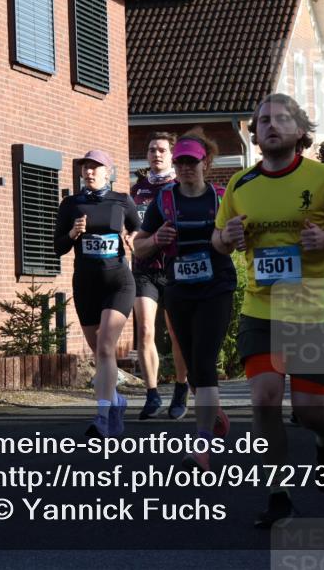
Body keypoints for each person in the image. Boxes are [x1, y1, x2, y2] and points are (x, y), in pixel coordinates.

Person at [212, 93, 324, 527]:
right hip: (261, 311)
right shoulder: (241, 185)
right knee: (264, 401)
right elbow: (218, 240)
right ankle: (278, 493)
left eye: (280, 118)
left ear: (300, 131)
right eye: (262, 120)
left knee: (307, 411)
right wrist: (226, 237)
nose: (269, 125)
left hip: (314, 312)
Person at [134, 130, 234, 470]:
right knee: (193, 369)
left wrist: (236, 237)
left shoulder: (221, 199)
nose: (186, 167)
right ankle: (214, 412)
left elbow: (238, 236)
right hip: (179, 289)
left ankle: (201, 449)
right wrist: (157, 239)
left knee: (204, 365)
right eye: (181, 162)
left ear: (205, 162)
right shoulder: (164, 201)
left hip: (216, 289)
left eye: (192, 161)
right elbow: (138, 246)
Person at [55, 149, 140, 437]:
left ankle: (102, 416)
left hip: (119, 282)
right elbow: (58, 247)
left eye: (96, 167)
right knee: (100, 353)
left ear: (109, 172)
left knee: (105, 346)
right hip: (86, 285)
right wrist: (73, 234)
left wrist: (133, 237)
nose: (89, 172)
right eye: (85, 168)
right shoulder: (70, 205)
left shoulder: (122, 200)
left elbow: (140, 230)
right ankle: (116, 402)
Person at [130, 133, 190, 420]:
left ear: (172, 154)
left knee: (177, 334)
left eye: (162, 150)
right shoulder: (137, 189)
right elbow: (129, 224)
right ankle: (152, 394)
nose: (156, 154)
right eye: (152, 149)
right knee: (144, 330)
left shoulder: (179, 187)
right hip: (143, 269)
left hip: (174, 268)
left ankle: (181, 388)